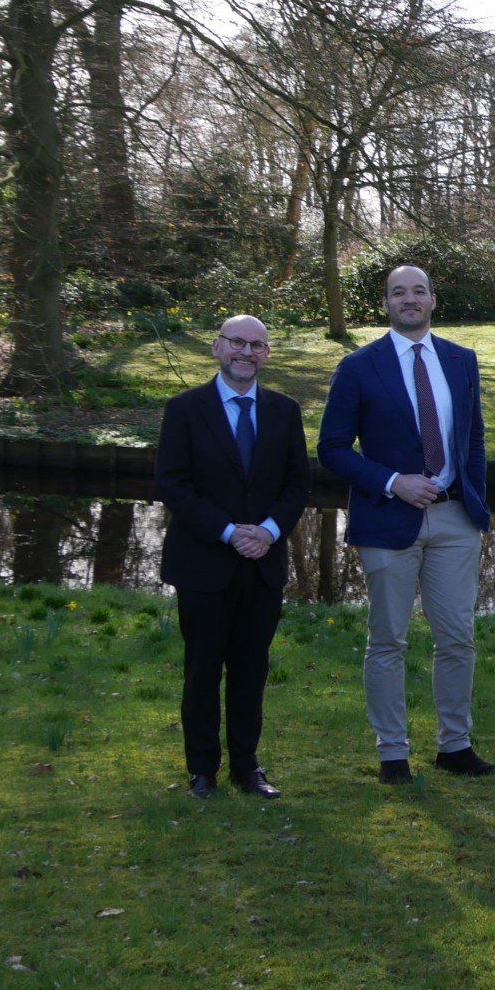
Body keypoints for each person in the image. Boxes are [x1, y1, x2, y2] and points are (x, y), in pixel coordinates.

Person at [318, 265, 495, 783]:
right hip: (388, 519)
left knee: (458, 638)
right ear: (387, 303)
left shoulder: (461, 361)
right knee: (388, 640)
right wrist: (392, 481)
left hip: (454, 519)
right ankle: (392, 753)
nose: (409, 299)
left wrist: (474, 502)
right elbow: (331, 449)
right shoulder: (358, 367)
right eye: (399, 292)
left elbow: (474, 439)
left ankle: (454, 746)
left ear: (434, 300)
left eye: (418, 291)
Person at [154, 314, 310, 799]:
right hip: (203, 563)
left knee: (251, 669)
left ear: (267, 355)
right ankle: (202, 769)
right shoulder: (184, 409)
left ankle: (247, 766)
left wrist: (265, 531)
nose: (247, 352)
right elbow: (172, 484)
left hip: (262, 564)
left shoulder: (285, 411)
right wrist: (227, 532)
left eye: (257, 345)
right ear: (217, 348)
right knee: (202, 669)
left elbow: (297, 483)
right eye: (237, 343)